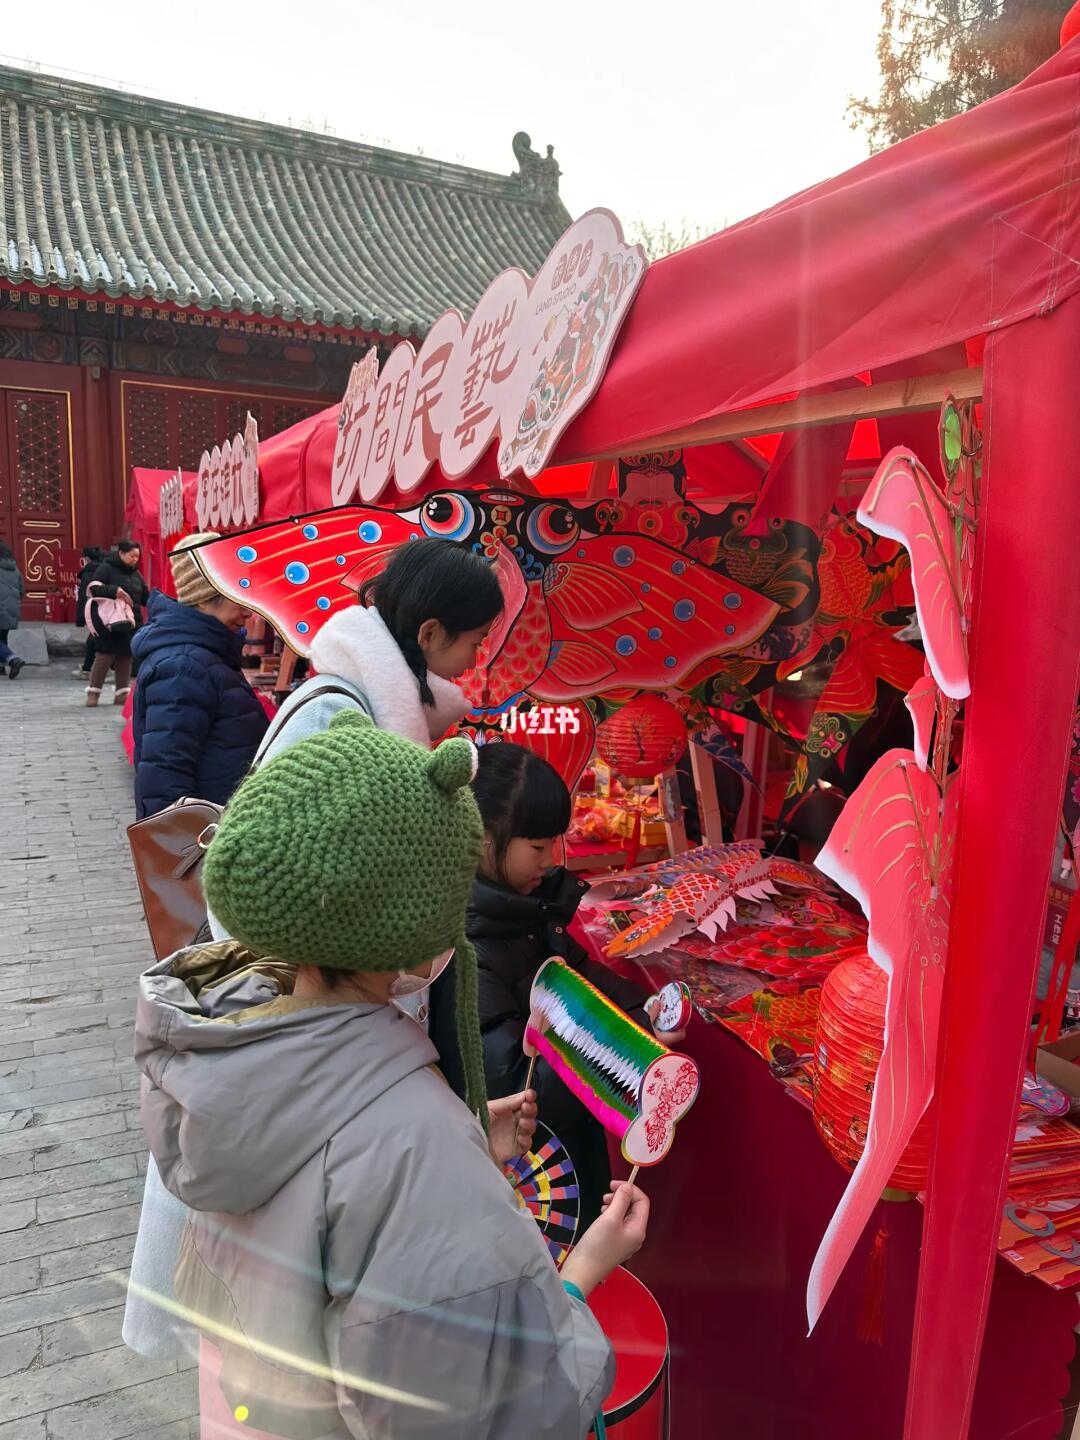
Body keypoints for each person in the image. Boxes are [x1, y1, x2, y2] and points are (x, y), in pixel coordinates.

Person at [135, 711, 647, 1438]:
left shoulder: (225, 1048)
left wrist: (464, 1146)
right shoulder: (415, 1142)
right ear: (415, 919)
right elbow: (478, 1407)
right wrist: (580, 1274)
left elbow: (323, 1217)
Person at [123, 533, 515, 1362]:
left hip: (313, 1019)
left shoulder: (376, 704)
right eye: (476, 641)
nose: (477, 660)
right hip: (300, 1015)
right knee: (276, 1246)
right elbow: (291, 884)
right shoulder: (340, 713)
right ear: (432, 632)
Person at [461, 742, 687, 1226]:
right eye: (537, 847)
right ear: (483, 839)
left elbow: (581, 975)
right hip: (534, 1172)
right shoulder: (469, 950)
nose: (551, 860)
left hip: (571, 1142)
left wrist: (642, 1013)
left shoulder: (531, 909)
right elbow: (518, 1087)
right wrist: (628, 1056)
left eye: (554, 843)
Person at [130, 533, 269, 818]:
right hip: (209, 835)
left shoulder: (209, 655)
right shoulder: (184, 666)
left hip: (224, 825)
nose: (248, 611)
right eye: (237, 595)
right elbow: (165, 779)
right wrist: (183, 843)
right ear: (204, 598)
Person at [86, 539, 149, 706]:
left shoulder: (136, 574)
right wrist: (114, 591)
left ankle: (122, 693)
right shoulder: (106, 568)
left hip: (130, 622)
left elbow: (145, 597)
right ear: (121, 553)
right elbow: (93, 589)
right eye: (131, 555)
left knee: (125, 657)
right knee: (104, 657)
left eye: (137, 556)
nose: (135, 559)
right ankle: (93, 693)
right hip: (109, 622)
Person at [73, 545, 105, 678]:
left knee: (94, 641)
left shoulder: (88, 573)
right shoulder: (106, 570)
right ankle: (88, 668)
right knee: (96, 640)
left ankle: (88, 670)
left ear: (86, 559)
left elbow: (83, 597)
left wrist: (80, 619)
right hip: (109, 611)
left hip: (96, 611)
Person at [0, 542, 26, 679]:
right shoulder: (15, 569)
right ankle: (1, 667)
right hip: (11, 608)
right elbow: (22, 589)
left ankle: (13, 659)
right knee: (2, 637)